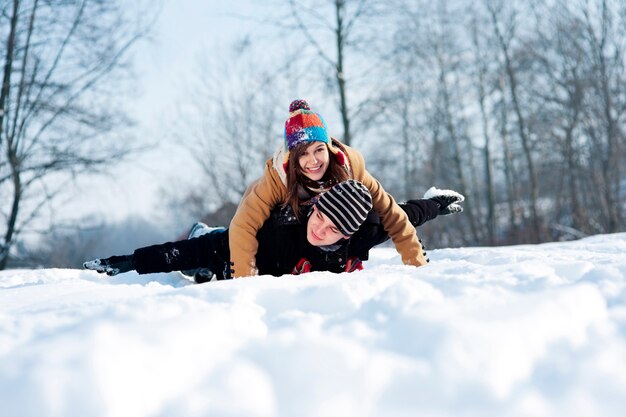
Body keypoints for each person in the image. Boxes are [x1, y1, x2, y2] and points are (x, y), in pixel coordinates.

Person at [84, 180, 464, 282]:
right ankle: (202, 228)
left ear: (348, 236)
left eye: (332, 229)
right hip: (232, 256)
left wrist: (436, 204)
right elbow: (182, 253)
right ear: (315, 206)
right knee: (198, 259)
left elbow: (406, 214)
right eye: (320, 217)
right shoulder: (282, 231)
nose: (320, 229)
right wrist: (132, 261)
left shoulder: (362, 234)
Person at [229, 99, 430, 278]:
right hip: (280, 232)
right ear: (292, 158)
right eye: (303, 154)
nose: (313, 160)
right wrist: (245, 280)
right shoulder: (277, 180)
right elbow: (243, 226)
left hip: (318, 230)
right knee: (230, 241)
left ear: (329, 148)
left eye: (319, 149)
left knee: (373, 220)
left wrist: (417, 265)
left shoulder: (350, 168)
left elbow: (391, 212)